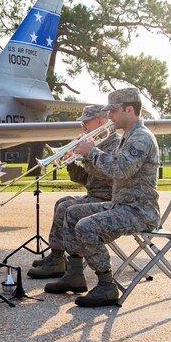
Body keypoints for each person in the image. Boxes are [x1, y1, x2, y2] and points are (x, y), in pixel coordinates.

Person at [44, 87, 160, 307]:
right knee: (71, 212)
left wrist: (92, 152)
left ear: (129, 109)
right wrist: (85, 156)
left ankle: (107, 286)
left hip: (140, 211)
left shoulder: (141, 138)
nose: (109, 116)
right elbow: (110, 171)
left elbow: (121, 170)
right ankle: (75, 274)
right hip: (123, 205)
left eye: (113, 111)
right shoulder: (130, 136)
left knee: (86, 226)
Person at [27, 105, 120, 279]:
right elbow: (86, 179)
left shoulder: (115, 143)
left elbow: (108, 174)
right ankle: (57, 257)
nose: (82, 126)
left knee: (66, 208)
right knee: (61, 202)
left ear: (100, 122)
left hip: (109, 197)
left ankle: (64, 265)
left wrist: (88, 154)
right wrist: (70, 163)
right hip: (95, 195)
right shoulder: (94, 143)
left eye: (86, 121)